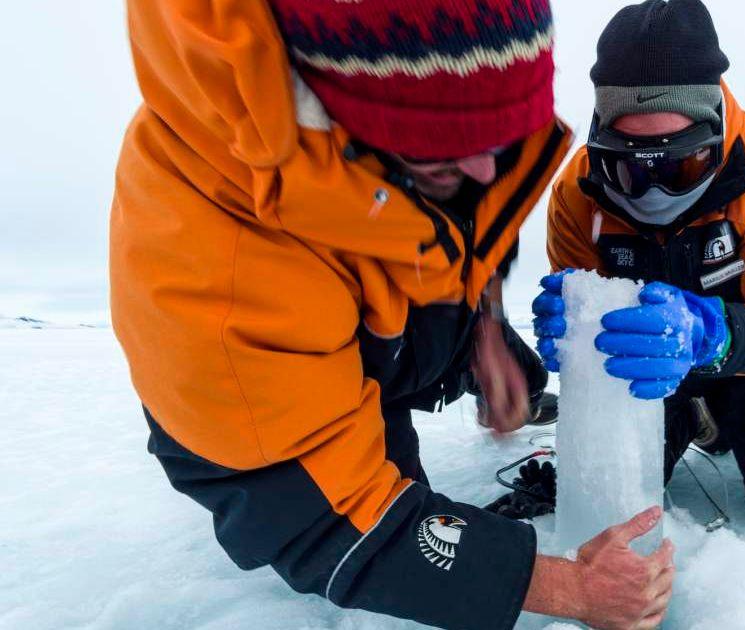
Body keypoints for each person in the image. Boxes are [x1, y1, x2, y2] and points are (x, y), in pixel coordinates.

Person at [110, 1, 672, 628]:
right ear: (338, 120)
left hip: (390, 302)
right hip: (281, 404)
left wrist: (484, 329)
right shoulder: (222, 269)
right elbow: (326, 515)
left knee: (506, 369)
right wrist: (572, 589)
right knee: (392, 534)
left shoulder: (431, 161)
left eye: (498, 140)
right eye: (443, 150)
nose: (485, 168)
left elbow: (473, 219)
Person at [534, 0, 745, 533]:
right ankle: (691, 415)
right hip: (642, 370)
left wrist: (712, 334)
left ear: (713, 129)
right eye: (630, 168)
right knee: (607, 493)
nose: (655, 191)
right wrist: (574, 331)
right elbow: (584, 313)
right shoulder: (578, 190)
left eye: (682, 165)